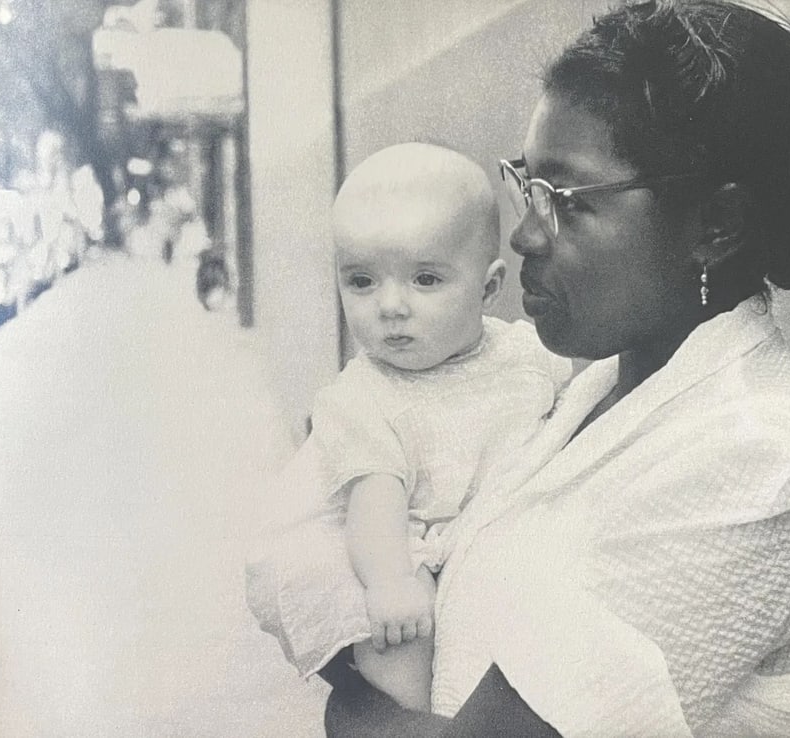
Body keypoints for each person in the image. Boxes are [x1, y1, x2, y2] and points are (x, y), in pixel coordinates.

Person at [320, 1, 790, 736]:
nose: (522, 235)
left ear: (717, 225)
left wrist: (350, 706)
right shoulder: (595, 390)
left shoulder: (762, 463)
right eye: (526, 186)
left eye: (565, 202)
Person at [245, 143, 573, 712]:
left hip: (491, 533)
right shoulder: (363, 398)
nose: (390, 306)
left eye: (424, 280)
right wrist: (390, 582)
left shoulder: (524, 355)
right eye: (362, 282)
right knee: (400, 641)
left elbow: (568, 412)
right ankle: (417, 717)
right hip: (401, 544)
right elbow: (375, 501)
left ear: (489, 289)